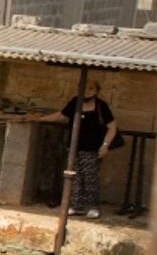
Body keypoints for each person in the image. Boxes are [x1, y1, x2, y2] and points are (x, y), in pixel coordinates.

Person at [38, 83, 118, 218]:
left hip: (92, 149)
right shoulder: (75, 102)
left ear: (97, 91)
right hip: (74, 148)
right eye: (85, 88)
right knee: (75, 176)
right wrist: (38, 119)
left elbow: (112, 126)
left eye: (91, 88)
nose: (87, 91)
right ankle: (76, 206)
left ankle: (93, 207)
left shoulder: (101, 106)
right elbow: (61, 115)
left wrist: (105, 145)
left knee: (90, 177)